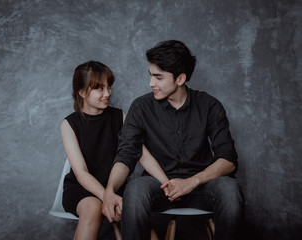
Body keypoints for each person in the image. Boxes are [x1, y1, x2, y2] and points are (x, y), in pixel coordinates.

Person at [102, 40, 245, 240]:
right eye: (151, 75)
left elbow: (228, 160)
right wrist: (109, 191)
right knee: (135, 188)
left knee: (230, 189)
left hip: (200, 186)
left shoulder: (210, 106)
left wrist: (192, 182)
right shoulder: (141, 107)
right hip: (158, 185)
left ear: (180, 78)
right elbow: (126, 153)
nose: (151, 83)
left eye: (158, 77)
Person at [60, 61, 168, 240]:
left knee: (135, 209)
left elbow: (142, 154)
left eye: (108, 87)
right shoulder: (69, 124)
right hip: (83, 190)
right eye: (99, 88)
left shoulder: (120, 117)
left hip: (118, 188)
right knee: (93, 208)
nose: (107, 93)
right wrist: (107, 197)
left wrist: (166, 183)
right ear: (81, 92)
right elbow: (81, 173)